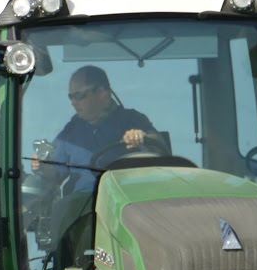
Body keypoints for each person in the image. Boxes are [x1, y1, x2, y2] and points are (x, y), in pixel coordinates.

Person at [31, 65, 160, 191]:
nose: (73, 102)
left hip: (122, 200)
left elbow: (159, 147)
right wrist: (42, 166)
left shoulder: (131, 119)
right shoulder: (72, 130)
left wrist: (141, 137)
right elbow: (55, 174)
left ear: (102, 93)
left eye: (79, 96)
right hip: (79, 206)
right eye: (71, 97)